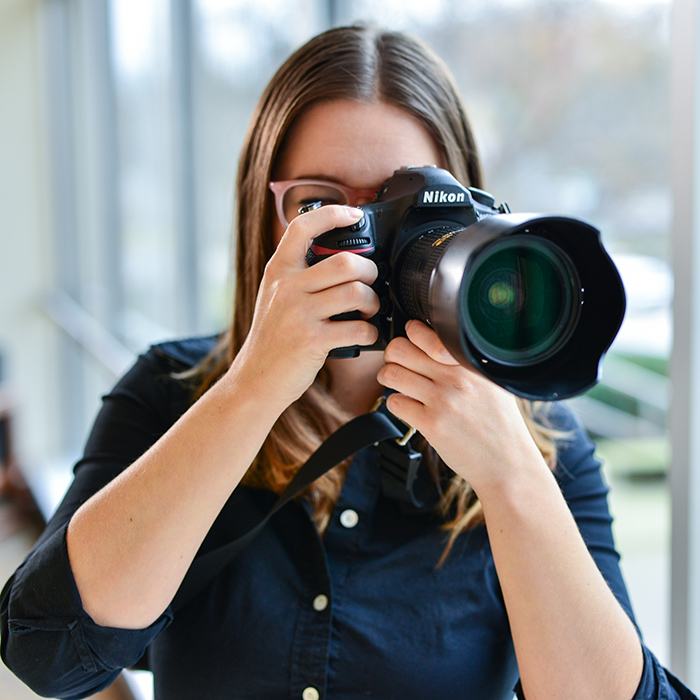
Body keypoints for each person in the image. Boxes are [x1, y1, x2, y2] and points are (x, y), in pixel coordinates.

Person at [0, 24, 696, 700]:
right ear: (265, 216)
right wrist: (251, 390)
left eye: (408, 208)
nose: (376, 248)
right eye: (323, 206)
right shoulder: (171, 393)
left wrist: (510, 475)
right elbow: (46, 654)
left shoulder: (540, 445)